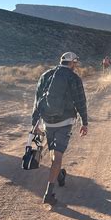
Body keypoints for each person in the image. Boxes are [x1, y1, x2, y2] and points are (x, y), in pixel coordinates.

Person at [32, 52, 88, 206]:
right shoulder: (74, 78)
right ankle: (48, 194)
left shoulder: (46, 75)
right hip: (65, 121)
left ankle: (59, 175)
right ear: (73, 63)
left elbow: (37, 99)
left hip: (47, 121)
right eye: (75, 63)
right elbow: (80, 101)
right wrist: (85, 122)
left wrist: (35, 122)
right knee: (57, 157)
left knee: (53, 152)